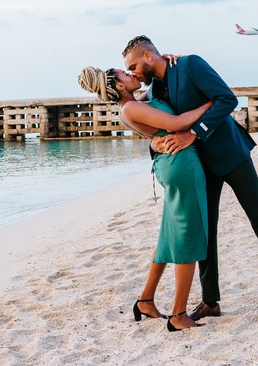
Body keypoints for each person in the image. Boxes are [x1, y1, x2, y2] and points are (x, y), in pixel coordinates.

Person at [122, 35, 258, 329]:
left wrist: (194, 133)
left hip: (232, 156)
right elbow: (143, 119)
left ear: (148, 56)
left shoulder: (190, 64)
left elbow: (227, 99)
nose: (132, 73)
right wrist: (154, 146)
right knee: (205, 232)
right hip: (201, 167)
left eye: (133, 66)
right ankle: (210, 301)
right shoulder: (155, 86)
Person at [77, 66, 212, 332]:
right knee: (187, 236)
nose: (131, 74)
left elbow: (155, 119)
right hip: (180, 164)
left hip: (173, 161)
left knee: (169, 234)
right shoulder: (129, 108)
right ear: (118, 86)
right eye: (125, 74)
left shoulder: (135, 102)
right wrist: (210, 104)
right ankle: (178, 315)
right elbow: (177, 124)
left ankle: (146, 300)